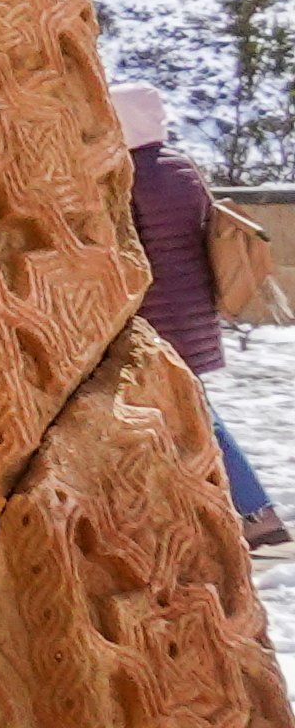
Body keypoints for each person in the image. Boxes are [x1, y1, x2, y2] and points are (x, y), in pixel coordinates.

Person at [121, 79, 288, 552]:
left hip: (157, 316)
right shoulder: (181, 168)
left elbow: (124, 247)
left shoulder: (124, 176)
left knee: (194, 415)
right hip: (193, 311)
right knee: (184, 410)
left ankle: (256, 512)